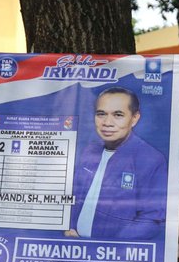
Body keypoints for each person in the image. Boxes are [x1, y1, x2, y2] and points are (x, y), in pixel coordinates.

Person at [65, 87, 167, 240]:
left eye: (118, 115)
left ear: (134, 118)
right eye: (101, 114)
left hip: (111, 256)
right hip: (74, 247)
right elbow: (73, 196)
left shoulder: (151, 160)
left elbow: (151, 219)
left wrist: (109, 247)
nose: (107, 122)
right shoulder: (89, 152)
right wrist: (69, 227)